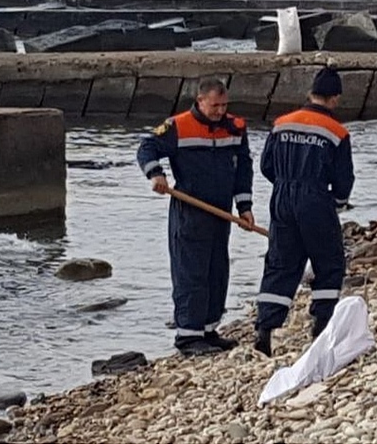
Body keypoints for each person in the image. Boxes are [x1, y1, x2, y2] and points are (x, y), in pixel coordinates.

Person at [136, 78, 255, 356]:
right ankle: (188, 336)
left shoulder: (235, 128)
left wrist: (244, 206)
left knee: (217, 270)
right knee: (191, 272)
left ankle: (208, 329)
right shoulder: (178, 126)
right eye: (215, 105)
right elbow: (146, 148)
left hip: (221, 211)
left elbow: (243, 168)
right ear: (200, 101)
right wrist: (156, 174)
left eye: (224, 105)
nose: (220, 111)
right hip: (190, 210)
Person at [254, 67, 355, 357]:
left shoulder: (282, 123)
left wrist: (285, 185)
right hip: (315, 199)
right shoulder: (337, 132)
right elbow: (343, 178)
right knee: (329, 260)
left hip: (282, 197)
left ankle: (265, 328)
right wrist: (337, 202)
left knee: (280, 262)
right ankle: (321, 324)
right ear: (335, 98)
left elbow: (266, 166)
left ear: (310, 93)